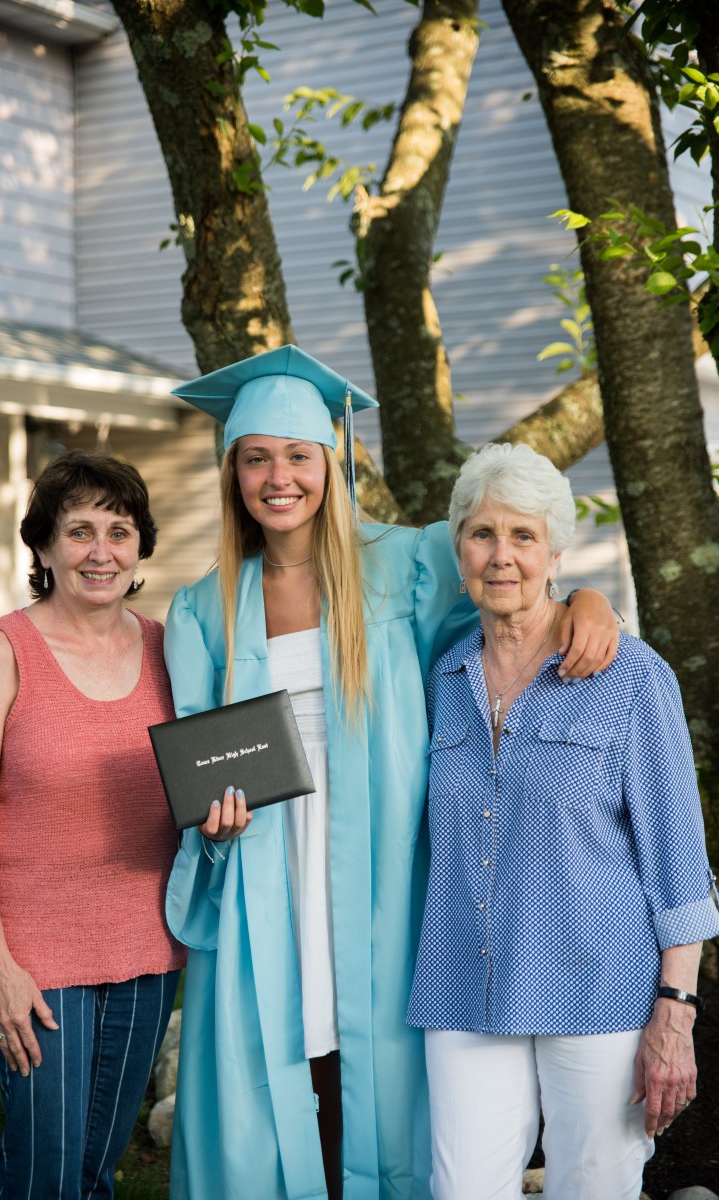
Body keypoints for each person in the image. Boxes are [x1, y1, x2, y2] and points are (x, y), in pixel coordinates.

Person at [163, 345, 618, 1199]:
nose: (278, 478)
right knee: (276, 1072)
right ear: (232, 472)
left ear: (330, 462)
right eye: (255, 458)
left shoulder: (406, 564)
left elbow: (514, 585)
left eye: (298, 456)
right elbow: (196, 765)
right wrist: (212, 827)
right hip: (265, 867)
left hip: (383, 872)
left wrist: (590, 600)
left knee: (383, 1080)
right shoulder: (202, 609)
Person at [407, 441, 719, 1200]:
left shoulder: (631, 675)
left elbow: (677, 858)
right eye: (482, 534)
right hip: (463, 984)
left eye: (523, 535)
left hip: (598, 988)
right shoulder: (440, 677)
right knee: (461, 1189)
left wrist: (675, 1012)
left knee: (594, 1187)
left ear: (554, 555)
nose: (501, 555)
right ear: (458, 550)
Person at [0, 451, 186, 1200]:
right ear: (44, 548)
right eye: (79, 531)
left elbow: (195, 782)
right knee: (45, 1173)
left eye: (119, 531)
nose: (100, 551)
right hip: (35, 958)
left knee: (94, 1172)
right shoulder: (1, 653)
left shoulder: (169, 650)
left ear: (140, 547)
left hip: (147, 951)